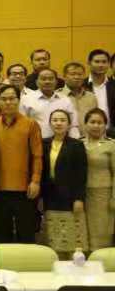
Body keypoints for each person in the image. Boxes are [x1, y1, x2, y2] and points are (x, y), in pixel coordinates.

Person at [0, 85, 43, 243]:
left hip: (25, 189)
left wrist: (35, 181)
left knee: (26, 233)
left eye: (12, 98)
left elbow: (37, 155)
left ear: (19, 100)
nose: (8, 102)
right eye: (4, 99)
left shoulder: (31, 124)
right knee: (1, 235)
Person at [38, 109, 88, 258]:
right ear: (50, 123)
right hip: (49, 197)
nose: (58, 123)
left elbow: (81, 174)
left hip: (69, 198)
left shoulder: (76, 145)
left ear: (69, 124)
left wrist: (79, 198)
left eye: (62, 120)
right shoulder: (43, 143)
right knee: (52, 237)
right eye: (55, 120)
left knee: (71, 238)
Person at [82, 108, 115, 250]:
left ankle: (101, 260)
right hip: (81, 195)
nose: (96, 125)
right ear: (86, 124)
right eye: (92, 122)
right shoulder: (78, 144)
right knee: (83, 232)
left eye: (100, 122)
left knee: (101, 232)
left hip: (103, 195)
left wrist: (114, 197)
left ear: (105, 125)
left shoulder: (111, 145)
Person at [20, 68, 80, 138]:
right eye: (43, 79)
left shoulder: (65, 100)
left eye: (51, 79)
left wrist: (75, 141)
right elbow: (22, 125)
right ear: (37, 82)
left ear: (56, 82)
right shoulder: (26, 99)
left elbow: (73, 125)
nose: (47, 82)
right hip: (35, 141)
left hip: (61, 142)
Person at [60, 62, 98, 136]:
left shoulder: (91, 97)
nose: (76, 77)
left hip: (89, 138)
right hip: (67, 139)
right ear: (64, 76)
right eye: (72, 74)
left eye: (80, 74)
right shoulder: (58, 96)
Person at [85, 49, 115, 127]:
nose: (101, 65)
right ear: (89, 63)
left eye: (104, 62)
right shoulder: (81, 85)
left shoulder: (113, 84)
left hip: (112, 131)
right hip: (87, 131)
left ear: (109, 64)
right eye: (97, 62)